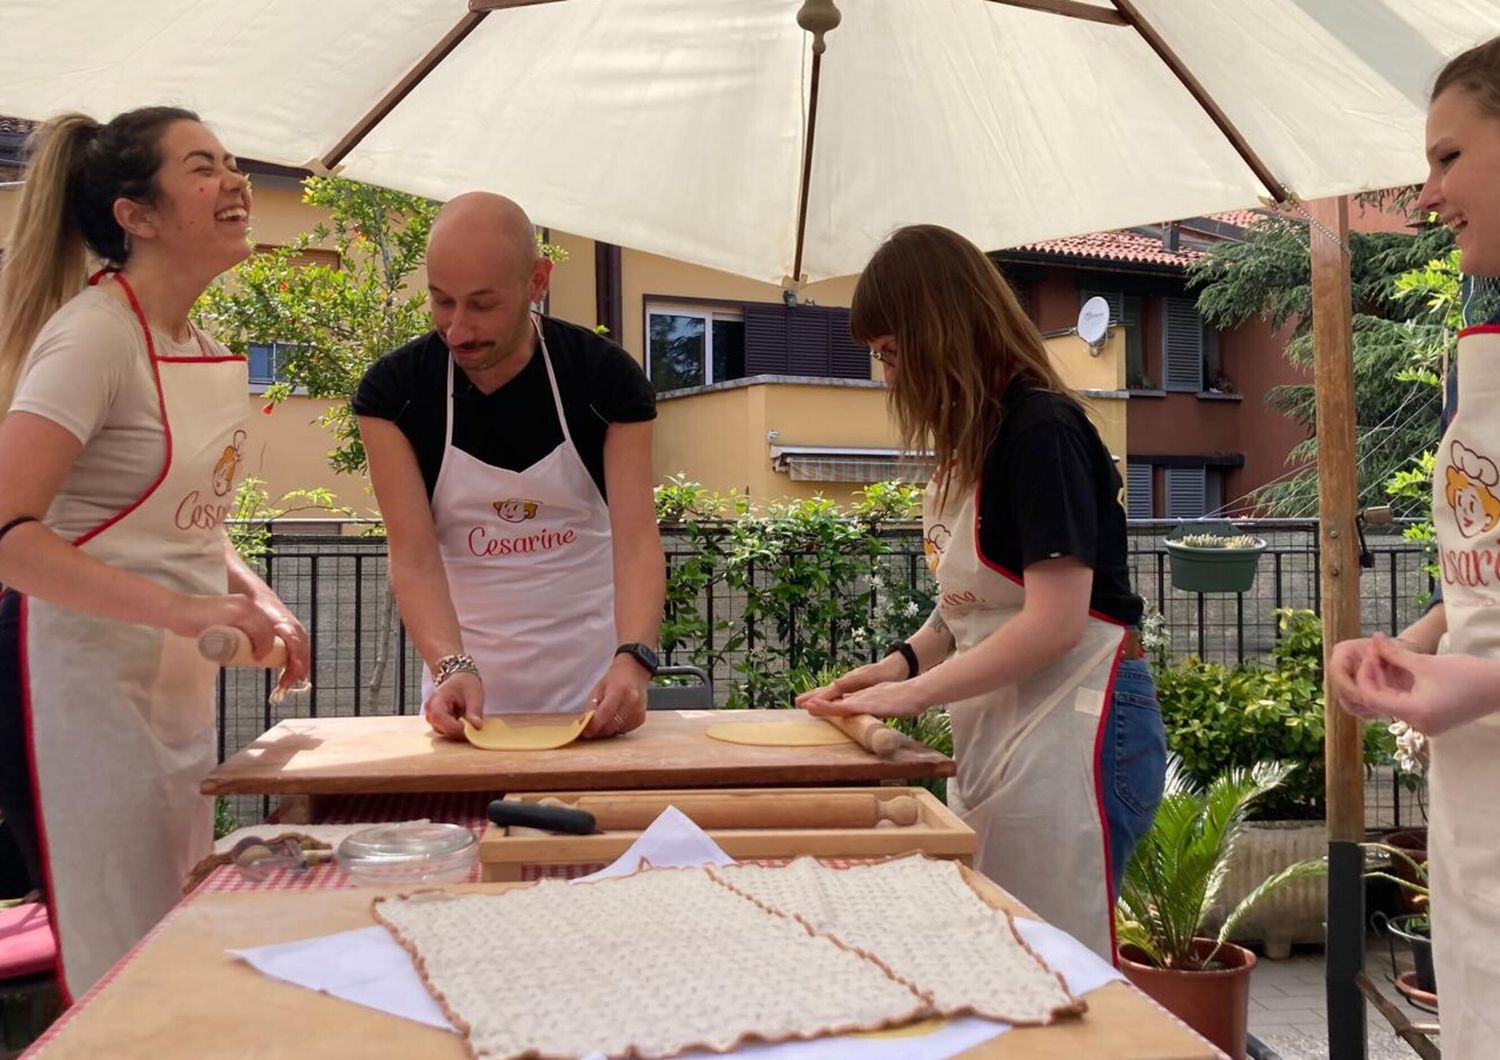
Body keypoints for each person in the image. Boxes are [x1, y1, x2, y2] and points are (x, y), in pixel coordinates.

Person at [0, 108, 311, 998]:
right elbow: (10, 535)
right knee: (124, 969)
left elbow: (187, 525)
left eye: (232, 164)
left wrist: (257, 597)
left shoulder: (201, 348)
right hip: (72, 689)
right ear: (135, 214)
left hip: (173, 689)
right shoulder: (92, 337)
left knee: (175, 936)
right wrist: (183, 609)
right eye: (202, 167)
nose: (235, 183)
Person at [797, 224, 1166, 959]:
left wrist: (909, 700)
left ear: (942, 333)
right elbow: (971, 601)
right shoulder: (977, 438)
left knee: (1054, 958)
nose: (886, 376)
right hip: (1011, 724)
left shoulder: (1043, 431)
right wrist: (900, 664)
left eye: (892, 353)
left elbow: (1055, 621)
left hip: (1082, 722)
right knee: (1003, 946)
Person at [1331, 37, 1500, 1057]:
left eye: (1448, 158)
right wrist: (1422, 640)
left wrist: (1475, 686)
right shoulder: (1478, 346)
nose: (1426, 196)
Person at [355, 193, 664, 740]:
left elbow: (636, 539)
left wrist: (634, 660)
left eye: (482, 304)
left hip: (596, 700)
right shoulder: (395, 394)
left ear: (536, 281)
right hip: (463, 706)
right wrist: (449, 664)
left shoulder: (604, 380)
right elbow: (414, 557)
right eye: (442, 301)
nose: (458, 330)